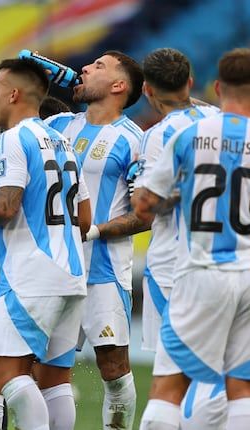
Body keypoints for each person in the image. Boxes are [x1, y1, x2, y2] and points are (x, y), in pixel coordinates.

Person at [0, 58, 91, 430]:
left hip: (31, 275)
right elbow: (85, 219)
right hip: (71, 273)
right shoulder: (63, 142)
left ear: (14, 94)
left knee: (7, 373)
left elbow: (5, 205)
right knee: (55, 380)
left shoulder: (14, 137)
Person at [134, 47, 250, 430]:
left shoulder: (189, 135)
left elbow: (144, 204)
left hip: (200, 270)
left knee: (169, 386)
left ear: (217, 87)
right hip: (248, 274)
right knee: (241, 387)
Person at [45, 50, 146, 430]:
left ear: (119, 86)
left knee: (113, 369)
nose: (85, 68)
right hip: (54, 267)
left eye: (99, 66)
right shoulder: (56, 126)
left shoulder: (134, 140)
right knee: (44, 370)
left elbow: (145, 214)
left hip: (103, 271)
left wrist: (95, 230)